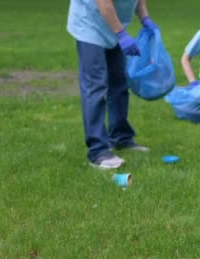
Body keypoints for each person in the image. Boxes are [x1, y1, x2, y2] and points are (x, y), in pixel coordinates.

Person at [67, 0, 158, 169]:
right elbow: (104, 3)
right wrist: (122, 34)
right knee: (96, 87)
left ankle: (121, 137)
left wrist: (145, 18)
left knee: (119, 84)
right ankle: (98, 151)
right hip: (89, 23)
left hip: (113, 26)